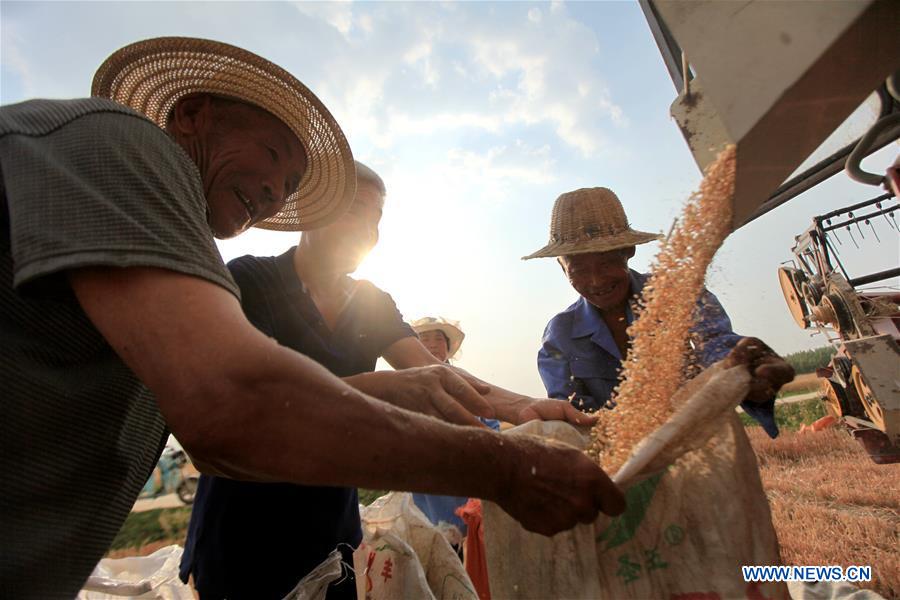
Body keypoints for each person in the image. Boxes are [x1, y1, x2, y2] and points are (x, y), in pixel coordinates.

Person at [0, 39, 624, 599]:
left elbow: (436, 380)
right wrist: (506, 469)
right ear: (191, 114)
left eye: (290, 181)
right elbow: (232, 405)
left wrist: (529, 411)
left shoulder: (369, 301)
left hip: (328, 532)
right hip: (243, 535)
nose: (274, 192)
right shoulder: (131, 154)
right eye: (270, 156)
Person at [524, 187, 793, 435]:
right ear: (562, 268)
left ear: (628, 251)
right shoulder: (560, 335)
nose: (596, 280)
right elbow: (567, 410)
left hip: (695, 442)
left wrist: (747, 372)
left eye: (606, 262)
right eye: (578, 270)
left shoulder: (676, 294)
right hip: (621, 464)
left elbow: (714, 345)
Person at [409, 317, 498, 548]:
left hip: (471, 495)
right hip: (427, 498)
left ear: (448, 348)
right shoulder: (404, 386)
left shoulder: (466, 383)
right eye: (424, 339)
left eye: (438, 339)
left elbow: (491, 425)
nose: (432, 345)